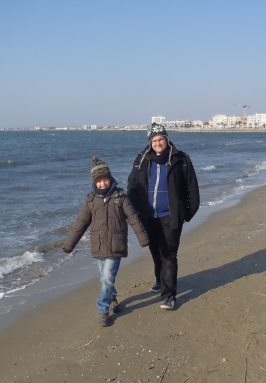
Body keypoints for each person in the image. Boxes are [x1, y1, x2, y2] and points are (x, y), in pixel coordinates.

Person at [63, 157, 149, 327]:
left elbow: (134, 219)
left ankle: (103, 309)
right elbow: (80, 224)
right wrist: (69, 244)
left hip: (116, 246)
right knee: (104, 278)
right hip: (99, 245)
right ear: (94, 182)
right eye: (99, 181)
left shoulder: (121, 197)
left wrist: (143, 238)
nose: (102, 183)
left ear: (110, 179)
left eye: (105, 179)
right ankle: (112, 297)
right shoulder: (90, 201)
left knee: (107, 278)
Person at [127, 123, 200, 310]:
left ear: (167, 139)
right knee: (155, 252)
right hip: (148, 216)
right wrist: (133, 212)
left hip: (171, 215)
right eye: (154, 140)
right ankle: (160, 280)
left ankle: (168, 295)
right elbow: (132, 186)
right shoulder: (141, 160)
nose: (158, 143)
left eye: (161, 139)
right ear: (150, 142)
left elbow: (192, 188)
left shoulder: (181, 159)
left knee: (169, 254)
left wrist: (188, 213)